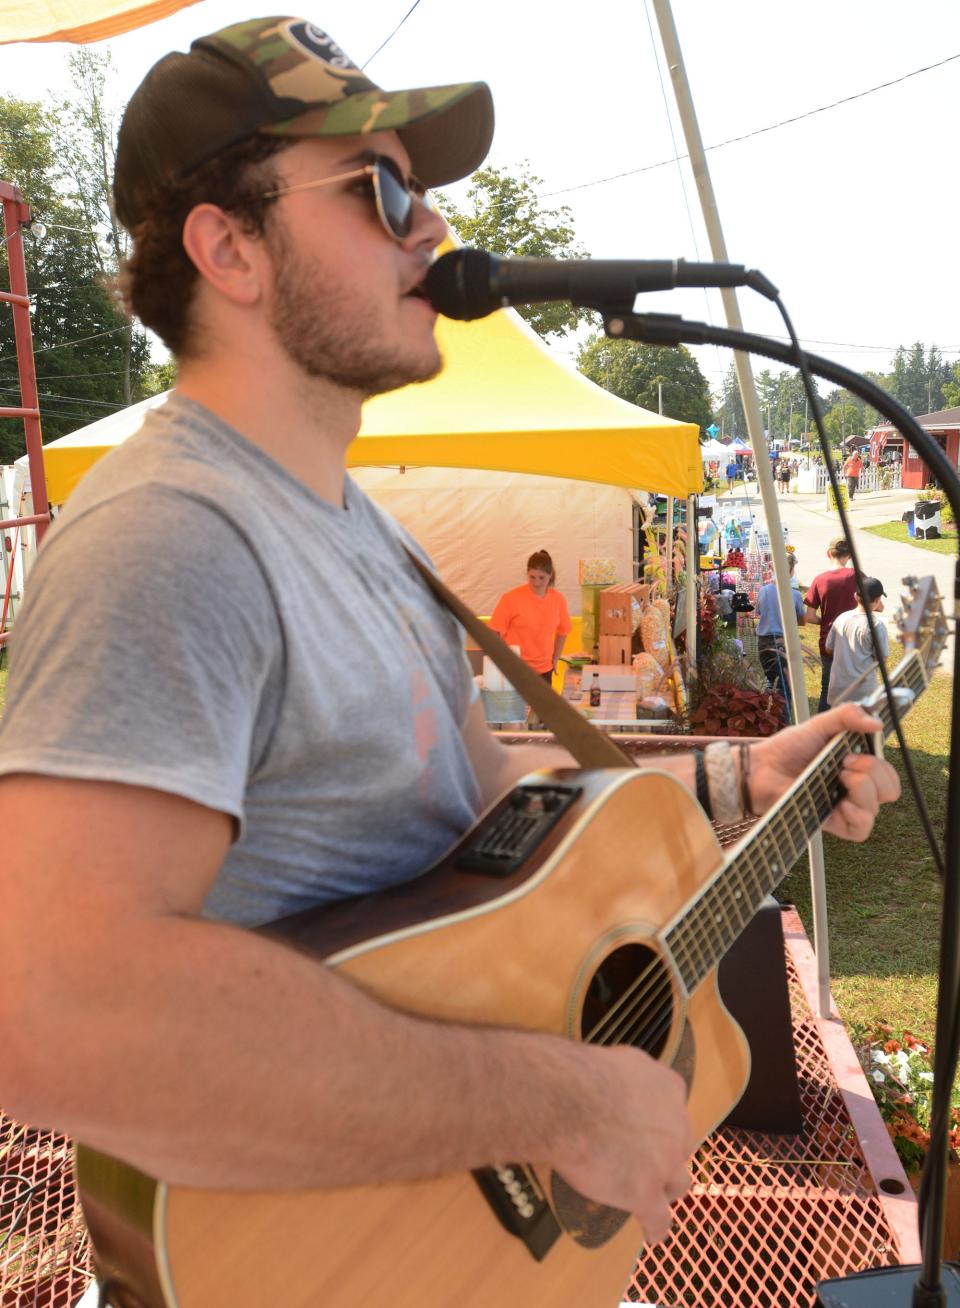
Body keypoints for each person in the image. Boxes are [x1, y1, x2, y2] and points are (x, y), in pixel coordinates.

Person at [0, 15, 899, 1257]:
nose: (432, 229)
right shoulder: (171, 539)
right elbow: (51, 1018)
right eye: (379, 189)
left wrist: (737, 779)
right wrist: (557, 1101)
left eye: (418, 194)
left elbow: (488, 821)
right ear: (228, 247)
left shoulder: (356, 530)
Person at [488, 549, 571, 682]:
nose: (536, 583)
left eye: (541, 578)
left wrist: (555, 658)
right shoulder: (511, 599)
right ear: (527, 573)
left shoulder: (558, 600)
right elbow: (493, 632)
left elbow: (563, 631)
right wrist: (504, 660)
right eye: (532, 577)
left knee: (543, 704)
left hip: (545, 671)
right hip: (516, 670)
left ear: (550, 575)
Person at [804, 537, 858, 712]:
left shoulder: (820, 580)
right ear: (848, 555)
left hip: (829, 640)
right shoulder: (856, 576)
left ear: (828, 554)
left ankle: (823, 730)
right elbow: (877, 606)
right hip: (853, 639)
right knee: (854, 687)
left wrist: (825, 620)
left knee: (827, 687)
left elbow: (810, 616)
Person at [754, 554, 805, 720]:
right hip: (784, 641)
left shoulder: (764, 590)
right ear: (790, 571)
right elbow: (801, 620)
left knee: (771, 680)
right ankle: (783, 719)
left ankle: (770, 716)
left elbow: (759, 612)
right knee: (785, 685)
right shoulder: (795, 595)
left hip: (764, 641)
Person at [826, 578, 888, 706]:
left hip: (838, 689)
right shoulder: (876, 625)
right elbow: (882, 659)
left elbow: (829, 648)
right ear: (877, 600)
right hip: (863, 693)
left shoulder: (841, 618)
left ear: (855, 596)